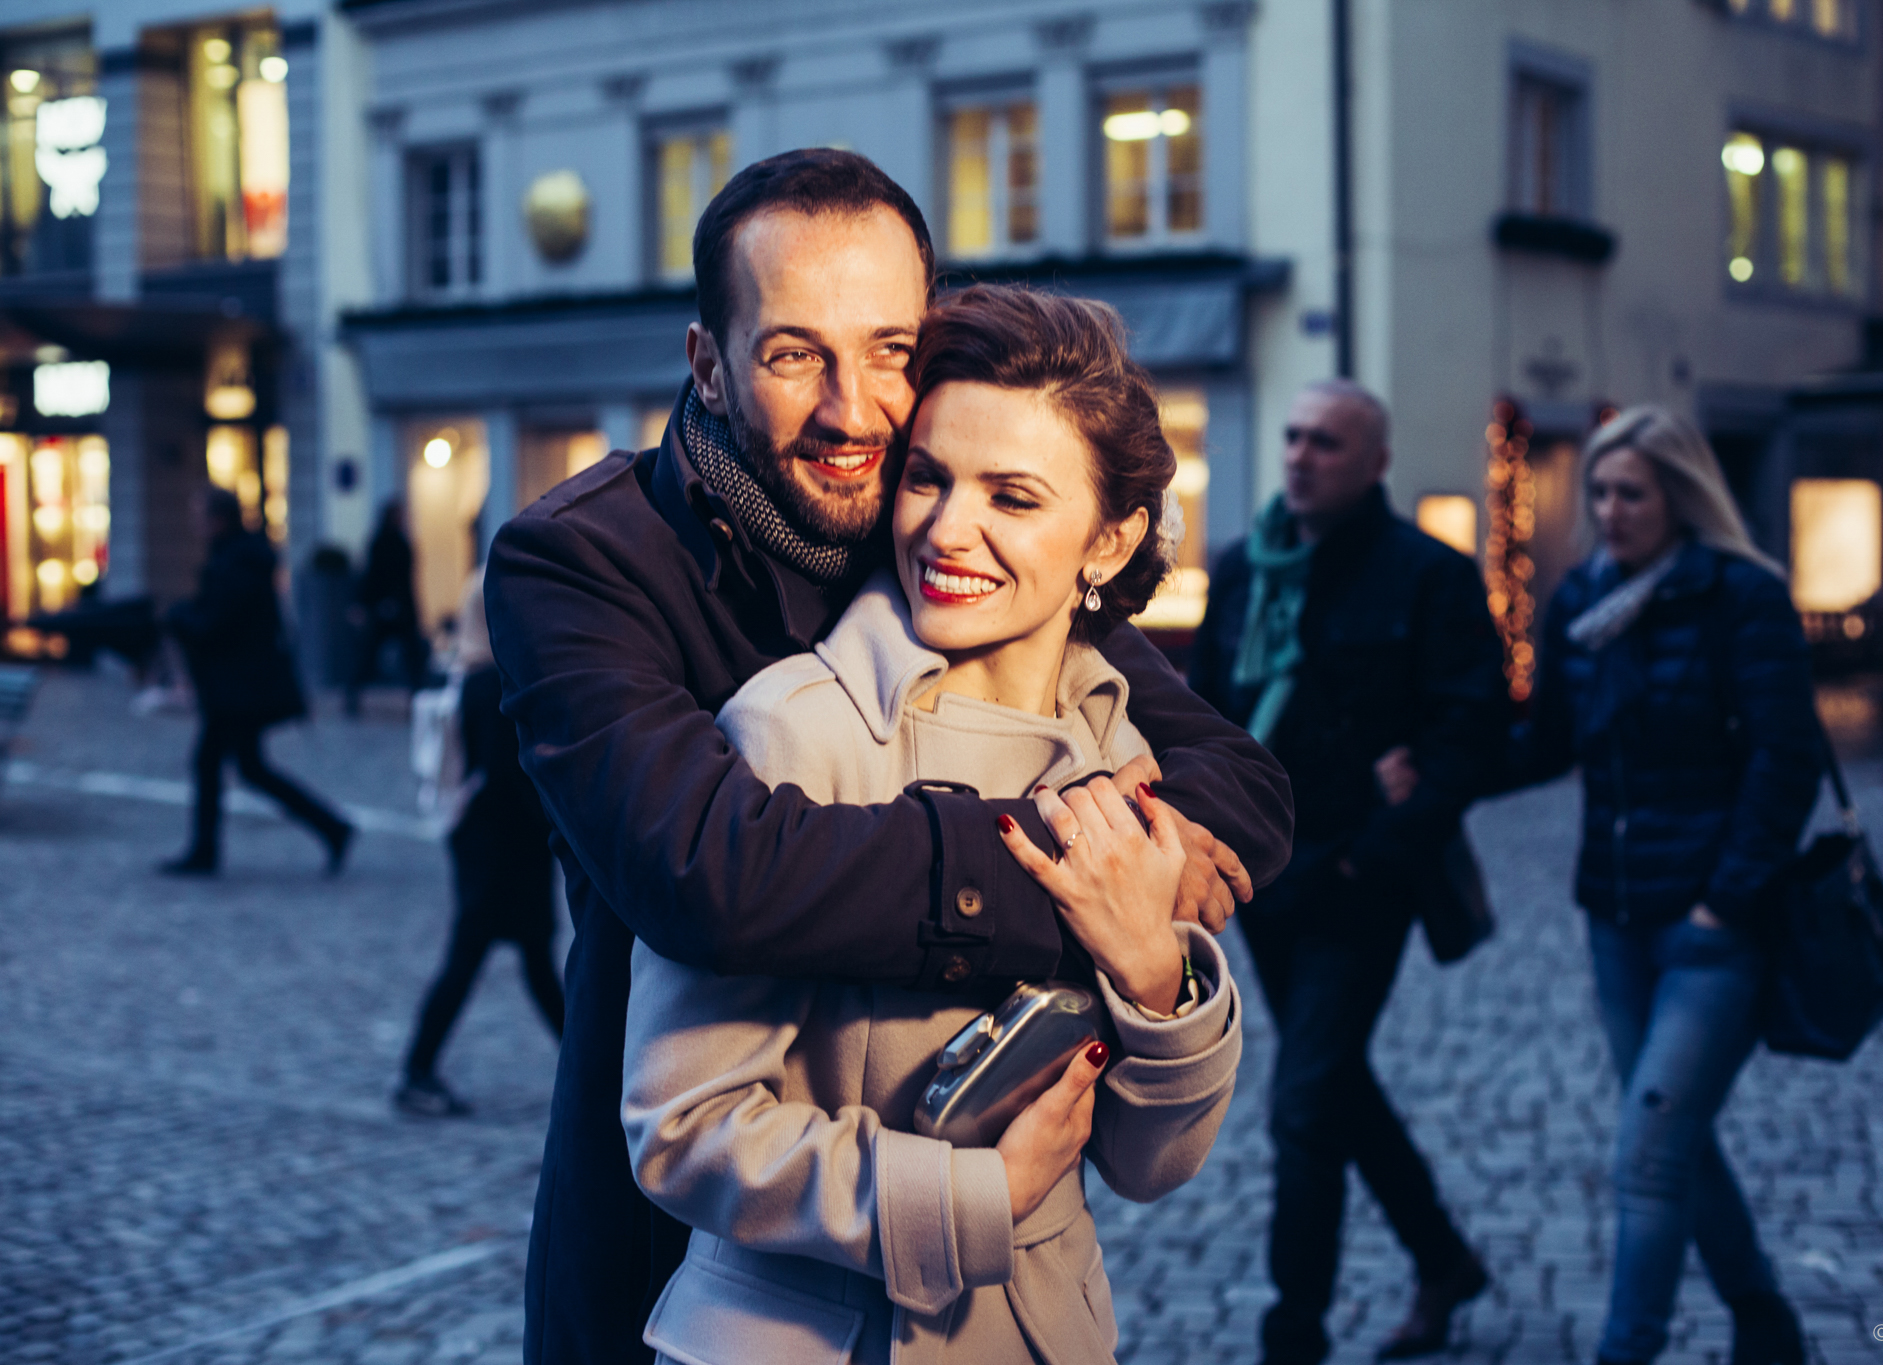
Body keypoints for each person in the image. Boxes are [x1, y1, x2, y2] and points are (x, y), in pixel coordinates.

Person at [484, 149, 1293, 1365]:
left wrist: (1153, 935)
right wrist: (1088, 879)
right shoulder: (584, 561)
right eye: (793, 352)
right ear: (709, 362)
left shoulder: (929, 518)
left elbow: (1230, 778)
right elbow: (710, 872)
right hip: (695, 1268)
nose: (852, 409)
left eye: (889, 351)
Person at [623, 284, 1242, 1364]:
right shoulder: (793, 731)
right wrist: (971, 1195)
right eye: (928, 478)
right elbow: (681, 1126)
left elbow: (1151, 1164)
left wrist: (1154, 979)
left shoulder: (1126, 759)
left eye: (1012, 496)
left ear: (1109, 539)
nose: (949, 529)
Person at [1484, 405, 1822, 1365]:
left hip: (1713, 930)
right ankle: (1764, 1318)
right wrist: (1445, 764)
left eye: (1632, 490)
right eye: (1600, 490)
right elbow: (1546, 741)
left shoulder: (1739, 597)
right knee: (1672, 1133)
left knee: (1648, 1149)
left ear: (1681, 494)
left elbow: (1783, 757)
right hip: (1617, 921)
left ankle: (1625, 1349)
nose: (1612, 507)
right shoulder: (1586, 595)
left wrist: (1730, 894)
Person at [1188, 380, 1504, 1364]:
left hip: (1363, 882)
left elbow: (1472, 733)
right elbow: (1202, 715)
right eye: (1290, 436)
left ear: (1373, 462)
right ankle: (1442, 1259)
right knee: (1335, 1088)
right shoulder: (1243, 570)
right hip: (1266, 883)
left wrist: (1386, 839)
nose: (1297, 455)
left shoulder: (1427, 576)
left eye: (1323, 442)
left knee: (1301, 1105)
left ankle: (1293, 1335)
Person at [393, 575, 565, 1119]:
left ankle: (593, 1073)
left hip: (490, 843)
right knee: (481, 959)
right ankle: (416, 1071)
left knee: (531, 964)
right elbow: (505, 776)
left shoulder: (474, 676)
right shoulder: (493, 684)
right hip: (502, 849)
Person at [160, 488, 355, 877]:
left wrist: (179, 617)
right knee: (245, 766)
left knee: (217, 763)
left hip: (240, 687)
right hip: (238, 685)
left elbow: (216, 622)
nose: (196, 525)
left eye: (201, 516)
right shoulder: (238, 559)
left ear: (220, 519)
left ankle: (206, 851)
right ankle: (331, 828)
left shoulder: (237, 563)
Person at [347, 499, 428, 715]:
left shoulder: (399, 543)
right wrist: (367, 604)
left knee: (411, 657)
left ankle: (415, 699)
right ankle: (352, 696)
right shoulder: (382, 543)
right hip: (382, 609)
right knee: (368, 655)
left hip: (399, 609)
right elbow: (372, 576)